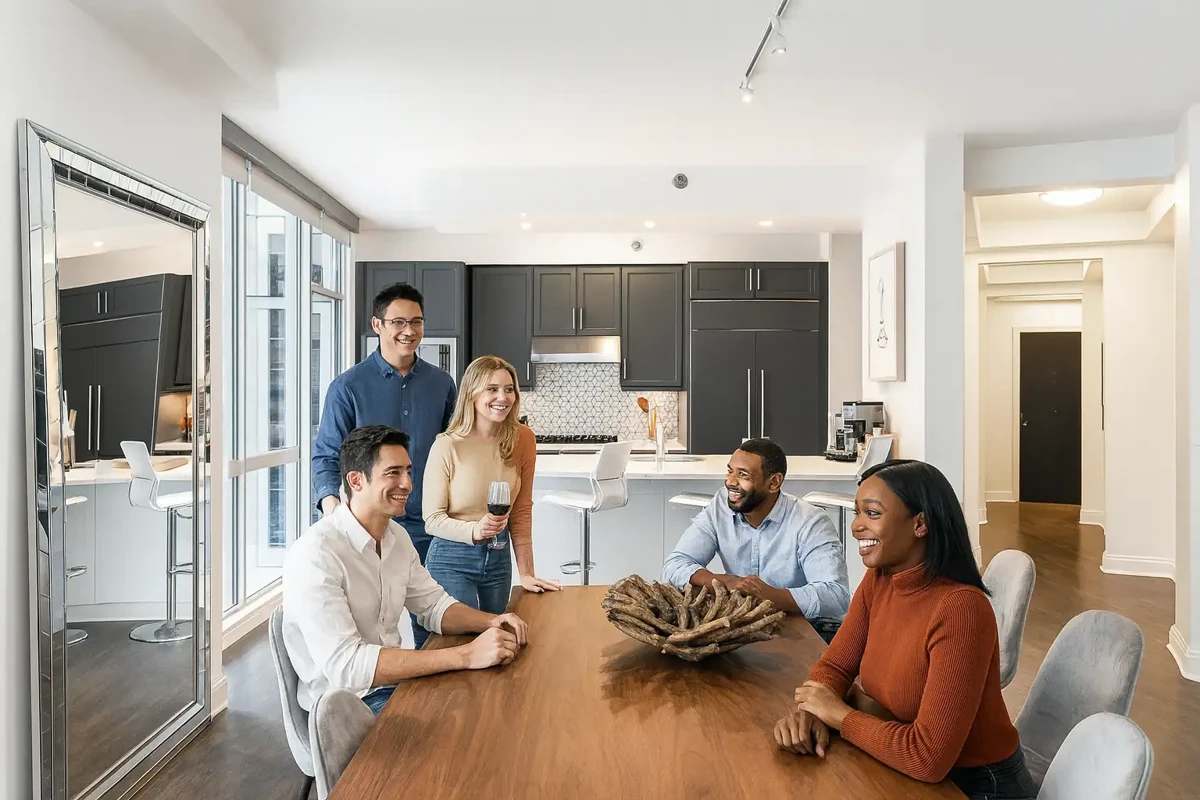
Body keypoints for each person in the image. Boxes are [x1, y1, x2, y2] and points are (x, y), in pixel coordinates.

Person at [777, 459, 1037, 800]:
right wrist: (811, 714)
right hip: (903, 760)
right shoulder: (880, 579)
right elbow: (835, 666)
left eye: (871, 513)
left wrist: (839, 715)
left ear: (920, 524)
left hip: (974, 785)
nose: (856, 526)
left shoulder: (961, 609)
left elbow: (928, 758)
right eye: (857, 513)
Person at [283, 425, 528, 716]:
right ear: (356, 480)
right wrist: (466, 655)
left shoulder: (396, 537)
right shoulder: (316, 554)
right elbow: (348, 667)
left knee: (497, 702)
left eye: (408, 471)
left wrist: (492, 621)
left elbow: (434, 606)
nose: (407, 484)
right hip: (347, 708)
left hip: (393, 686)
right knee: (472, 720)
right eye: (393, 473)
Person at [311, 282, 456, 647]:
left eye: (417, 322)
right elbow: (328, 456)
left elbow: (454, 452)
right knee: (367, 628)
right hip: (367, 528)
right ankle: (376, 701)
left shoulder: (442, 384)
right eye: (398, 322)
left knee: (434, 623)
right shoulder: (347, 387)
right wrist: (333, 510)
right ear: (378, 325)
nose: (409, 331)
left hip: (428, 523)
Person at [661, 438, 850, 643]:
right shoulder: (720, 508)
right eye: (730, 471)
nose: (730, 482)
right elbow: (674, 566)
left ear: (774, 483)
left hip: (809, 629)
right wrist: (727, 582)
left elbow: (835, 596)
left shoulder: (811, 522)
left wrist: (771, 596)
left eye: (743, 475)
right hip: (747, 629)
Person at [423, 356, 561, 613]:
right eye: (492, 389)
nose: (503, 397)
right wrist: (475, 530)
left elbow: (520, 511)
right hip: (452, 559)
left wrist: (527, 573)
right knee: (464, 644)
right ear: (472, 393)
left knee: (500, 641)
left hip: (498, 559)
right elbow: (432, 520)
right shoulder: (447, 445)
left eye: (509, 390)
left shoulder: (522, 438)